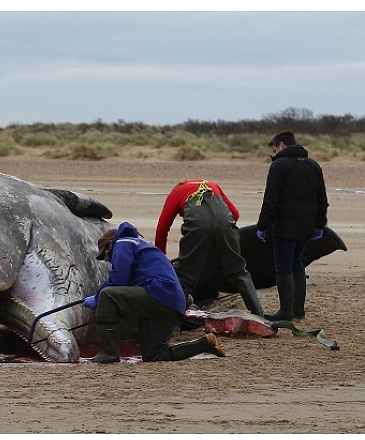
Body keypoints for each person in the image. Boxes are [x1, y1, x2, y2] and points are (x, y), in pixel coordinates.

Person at [82, 221, 226, 363]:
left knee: (108, 295)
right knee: (154, 354)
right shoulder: (142, 246)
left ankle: (107, 354)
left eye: (105, 254)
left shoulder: (123, 243)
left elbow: (119, 280)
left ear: (110, 242)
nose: (107, 259)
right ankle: (203, 344)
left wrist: (97, 298)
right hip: (173, 304)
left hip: (159, 294)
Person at [155, 179, 263, 317]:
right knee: (238, 271)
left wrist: (161, 259)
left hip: (198, 227)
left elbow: (162, 229)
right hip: (225, 224)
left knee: (186, 276)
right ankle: (259, 314)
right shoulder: (212, 185)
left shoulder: (176, 192)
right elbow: (235, 214)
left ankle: (173, 320)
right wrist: (218, 240)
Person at [256, 130, 328, 321]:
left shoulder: (279, 166)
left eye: (274, 149)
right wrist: (320, 223)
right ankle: (298, 310)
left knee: (283, 266)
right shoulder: (313, 165)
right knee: (298, 262)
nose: (273, 153)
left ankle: (286, 311)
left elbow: (271, 199)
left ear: (281, 145)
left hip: (286, 226)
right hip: (307, 226)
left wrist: (262, 225)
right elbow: (322, 198)